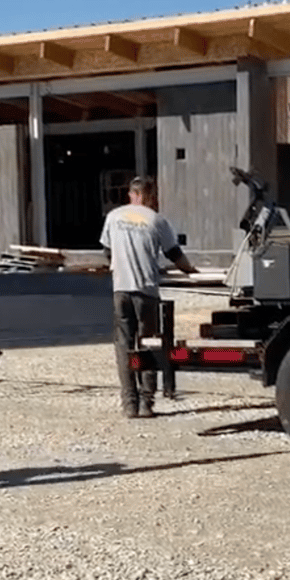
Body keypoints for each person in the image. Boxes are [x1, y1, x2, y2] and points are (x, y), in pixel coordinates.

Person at [99, 176, 197, 418]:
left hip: (121, 289)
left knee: (124, 347)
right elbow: (175, 254)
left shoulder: (114, 217)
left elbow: (107, 252)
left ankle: (129, 404)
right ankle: (146, 403)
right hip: (146, 291)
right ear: (149, 196)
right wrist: (191, 271)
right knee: (147, 346)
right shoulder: (156, 220)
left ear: (132, 195)